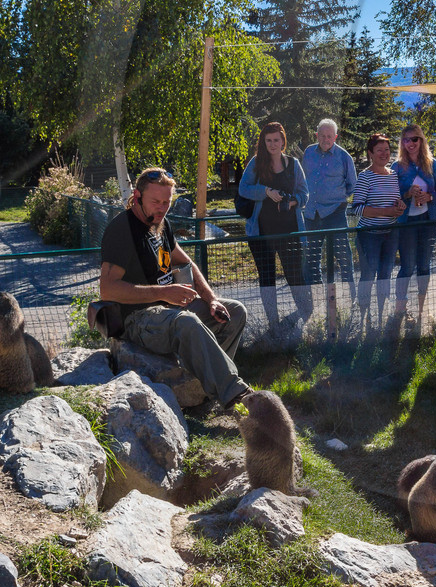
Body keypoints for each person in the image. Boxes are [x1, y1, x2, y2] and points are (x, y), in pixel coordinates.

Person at [99, 168, 251, 408]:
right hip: (137, 319)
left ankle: (204, 390)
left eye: (167, 202)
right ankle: (235, 394)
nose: (162, 208)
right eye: (155, 202)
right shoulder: (122, 231)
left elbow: (184, 261)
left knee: (234, 312)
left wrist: (211, 299)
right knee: (187, 323)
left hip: (167, 311)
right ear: (137, 197)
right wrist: (164, 293)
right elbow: (107, 290)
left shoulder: (161, 223)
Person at [238, 121, 313, 339]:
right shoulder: (256, 163)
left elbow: (305, 194)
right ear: (263, 142)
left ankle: (304, 317)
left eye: (276, 140)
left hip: (290, 231)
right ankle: (273, 325)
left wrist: (293, 202)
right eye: (268, 140)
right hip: (260, 232)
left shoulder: (293, 164)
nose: (272, 144)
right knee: (267, 277)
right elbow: (244, 189)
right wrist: (266, 191)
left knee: (295, 275)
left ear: (283, 141)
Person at [301, 118, 359, 304]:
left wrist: (336, 198)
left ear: (335, 137)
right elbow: (303, 180)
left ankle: (351, 298)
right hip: (311, 214)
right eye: (322, 135)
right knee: (311, 259)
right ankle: (318, 301)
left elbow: (352, 186)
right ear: (316, 135)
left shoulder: (344, 157)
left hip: (335, 214)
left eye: (329, 136)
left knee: (344, 257)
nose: (326, 139)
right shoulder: (309, 152)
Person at [351, 133, 406, 331]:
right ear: (370, 153)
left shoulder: (393, 175)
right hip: (369, 235)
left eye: (387, 150)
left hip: (391, 234)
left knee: (385, 273)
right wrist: (387, 212)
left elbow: (396, 201)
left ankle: (382, 317)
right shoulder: (365, 176)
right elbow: (357, 208)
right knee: (369, 273)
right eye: (379, 150)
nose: (384, 154)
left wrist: (399, 207)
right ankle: (363, 317)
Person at [394, 123, 436, 328]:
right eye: (406, 140)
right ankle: (400, 310)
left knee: (424, 265)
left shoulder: (433, 165)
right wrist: (408, 194)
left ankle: (422, 310)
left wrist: (429, 196)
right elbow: (392, 195)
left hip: (427, 221)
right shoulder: (397, 167)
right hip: (406, 223)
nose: (410, 144)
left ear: (421, 140)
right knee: (407, 266)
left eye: (414, 139)